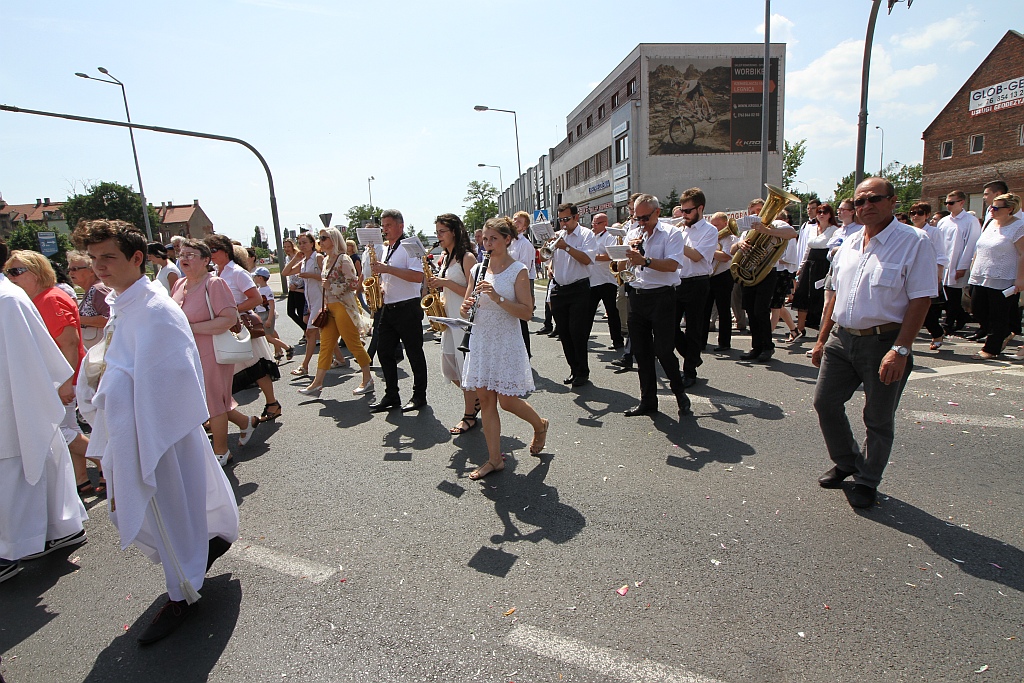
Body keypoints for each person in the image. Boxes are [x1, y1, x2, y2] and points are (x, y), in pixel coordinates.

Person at [72, 219, 239, 645]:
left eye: (108, 256)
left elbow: (176, 375)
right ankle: (195, 556)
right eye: (94, 259)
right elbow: (120, 361)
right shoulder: (123, 304)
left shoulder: (155, 309)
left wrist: (112, 381)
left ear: (136, 258)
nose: (100, 267)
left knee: (167, 508)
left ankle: (182, 591)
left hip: (158, 431)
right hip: (139, 426)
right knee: (170, 508)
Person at [810, 178, 937, 509]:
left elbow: (921, 300)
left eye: (874, 200)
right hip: (842, 337)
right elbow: (834, 295)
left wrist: (901, 349)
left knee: (878, 417)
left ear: (893, 201)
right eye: (860, 201)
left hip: (884, 342)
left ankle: (867, 480)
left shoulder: (914, 242)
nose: (866, 207)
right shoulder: (850, 241)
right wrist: (822, 339)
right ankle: (848, 461)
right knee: (825, 403)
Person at [0, 237, 88, 584]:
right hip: (16, 398)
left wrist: (58, 387)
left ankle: (9, 549)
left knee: (19, 468)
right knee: (44, 460)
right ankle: (61, 527)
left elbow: (58, 346)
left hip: (15, 399)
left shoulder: (8, 300)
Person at [460, 217, 549, 479]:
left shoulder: (518, 269)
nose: (487, 244)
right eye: (485, 239)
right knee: (486, 399)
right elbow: (467, 303)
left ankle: (539, 424)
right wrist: (466, 308)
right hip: (481, 339)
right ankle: (494, 460)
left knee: (508, 401)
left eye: (493, 239)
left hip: (505, 341)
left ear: (507, 239)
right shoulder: (477, 269)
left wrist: (497, 297)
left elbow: (527, 313)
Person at [4, 250, 98, 498]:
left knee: (58, 430)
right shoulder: (38, 298)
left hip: (61, 380)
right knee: (68, 428)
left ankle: (103, 460)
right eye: (7, 272)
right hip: (55, 379)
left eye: (16, 271)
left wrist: (65, 383)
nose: (10, 277)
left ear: (36, 272)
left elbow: (68, 341)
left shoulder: (49, 299)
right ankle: (82, 480)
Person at [170, 239, 257, 466]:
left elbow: (228, 319)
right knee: (210, 398)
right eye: (182, 254)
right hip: (187, 352)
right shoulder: (179, 284)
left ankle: (221, 451)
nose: (184, 259)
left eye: (191, 255)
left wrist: (190, 329)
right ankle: (246, 422)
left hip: (212, 351)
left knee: (213, 402)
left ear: (206, 260)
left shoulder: (215, 283)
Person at [612, 194, 691, 417]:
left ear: (657, 212)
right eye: (637, 218)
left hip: (662, 297)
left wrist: (645, 261)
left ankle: (680, 394)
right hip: (637, 296)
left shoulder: (672, 233)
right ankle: (648, 401)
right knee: (642, 352)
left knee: (664, 350)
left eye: (645, 218)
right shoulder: (634, 232)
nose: (641, 223)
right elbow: (619, 266)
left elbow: (674, 265)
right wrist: (625, 257)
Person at [205, 234, 282, 426]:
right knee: (229, 369)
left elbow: (255, 299)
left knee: (256, 367)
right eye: (209, 250)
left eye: (214, 250)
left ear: (226, 251)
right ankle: (217, 414)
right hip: (224, 328)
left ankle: (272, 403)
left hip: (241, 327)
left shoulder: (237, 272)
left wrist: (230, 312)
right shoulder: (215, 273)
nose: (211, 254)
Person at [298, 226, 373, 396]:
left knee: (353, 343)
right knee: (325, 345)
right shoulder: (325, 260)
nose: (320, 242)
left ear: (334, 240)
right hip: (329, 307)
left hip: (343, 306)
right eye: (320, 238)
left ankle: (367, 379)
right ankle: (316, 384)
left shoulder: (343, 259)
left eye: (324, 238)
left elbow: (353, 283)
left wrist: (331, 286)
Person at [368, 209, 429, 413]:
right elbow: (390, 276)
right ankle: (391, 395)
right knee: (384, 352)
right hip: (389, 307)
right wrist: (382, 288)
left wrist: (387, 269)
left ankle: (419, 396)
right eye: (383, 226)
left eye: (388, 225)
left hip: (408, 307)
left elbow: (417, 277)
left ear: (400, 226)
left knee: (414, 353)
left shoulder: (409, 245)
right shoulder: (387, 248)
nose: (384, 229)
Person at [426, 213, 479, 434]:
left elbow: (474, 291)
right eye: (437, 231)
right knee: (450, 368)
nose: (438, 236)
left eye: (441, 232)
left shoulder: (467, 257)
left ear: (454, 232)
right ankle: (476, 401)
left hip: (464, 320)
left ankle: (469, 415)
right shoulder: (446, 256)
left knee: (463, 367)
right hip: (449, 318)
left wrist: (445, 282)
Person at [734, 199, 798, 362]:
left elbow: (792, 234)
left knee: (761, 311)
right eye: (754, 211)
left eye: (760, 210)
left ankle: (767, 346)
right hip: (748, 273)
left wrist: (766, 230)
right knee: (750, 310)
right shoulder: (746, 230)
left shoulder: (776, 224)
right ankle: (757, 347)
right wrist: (740, 243)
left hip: (767, 272)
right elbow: (732, 250)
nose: (757, 214)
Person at [967, 194, 1024, 359]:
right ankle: (1003, 333)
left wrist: (1020, 279)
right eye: (991, 206)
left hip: (1003, 277)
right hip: (980, 275)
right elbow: (980, 248)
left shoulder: (1019, 226)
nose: (991, 210)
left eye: (996, 207)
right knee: (978, 309)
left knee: (998, 315)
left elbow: (1022, 254)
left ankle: (991, 349)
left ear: (1010, 209)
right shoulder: (991, 223)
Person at [672, 188, 717, 386]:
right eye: (682, 211)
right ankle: (693, 356)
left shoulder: (710, 230)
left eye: (688, 211)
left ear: (700, 209)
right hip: (678, 281)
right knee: (670, 327)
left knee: (694, 329)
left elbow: (698, 256)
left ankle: (689, 371)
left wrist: (675, 241)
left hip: (698, 283)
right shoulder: (682, 229)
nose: (684, 215)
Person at [549, 202, 597, 387]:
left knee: (578, 332)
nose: (563, 224)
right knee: (564, 333)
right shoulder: (558, 236)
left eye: (567, 219)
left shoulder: (586, 235)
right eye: (560, 220)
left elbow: (587, 259)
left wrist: (566, 247)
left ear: (576, 217)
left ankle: (582, 371)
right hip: (560, 289)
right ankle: (573, 369)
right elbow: (547, 257)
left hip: (579, 289)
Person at [906, 202, 951, 350]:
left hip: (927, 273)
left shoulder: (933, 232)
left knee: (926, 309)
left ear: (927, 215)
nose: (915, 216)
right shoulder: (907, 231)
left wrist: (938, 275)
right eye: (912, 213)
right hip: (909, 272)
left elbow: (941, 255)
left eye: (919, 213)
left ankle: (937, 333)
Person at [790, 203, 839, 338]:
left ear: (830, 215)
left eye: (825, 212)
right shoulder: (812, 228)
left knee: (821, 298)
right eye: (819, 212)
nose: (821, 215)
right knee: (802, 294)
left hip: (824, 264)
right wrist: (801, 267)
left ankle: (822, 330)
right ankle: (800, 328)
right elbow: (807, 249)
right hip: (810, 264)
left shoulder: (835, 229)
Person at [937, 190, 982, 336]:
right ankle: (961, 317)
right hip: (943, 265)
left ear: (961, 202)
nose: (948, 206)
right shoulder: (944, 221)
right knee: (944, 296)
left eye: (951, 203)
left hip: (957, 264)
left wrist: (962, 266)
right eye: (946, 203)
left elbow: (971, 245)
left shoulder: (970, 221)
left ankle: (948, 324)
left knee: (954, 296)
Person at [282, 233, 323, 376]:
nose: (302, 245)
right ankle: (340, 358)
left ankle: (304, 366)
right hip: (310, 300)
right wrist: (295, 258)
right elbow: (285, 272)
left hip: (321, 299)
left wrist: (310, 275)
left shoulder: (318, 257)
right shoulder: (304, 260)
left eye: (305, 242)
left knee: (310, 332)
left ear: (312, 244)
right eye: (299, 243)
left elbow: (327, 277)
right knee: (323, 332)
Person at [587, 212, 625, 350]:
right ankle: (583, 339)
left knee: (612, 312)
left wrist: (593, 256)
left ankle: (617, 341)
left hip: (606, 280)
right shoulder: (592, 236)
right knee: (588, 312)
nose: (594, 226)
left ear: (605, 224)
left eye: (596, 223)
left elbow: (610, 255)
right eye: (593, 223)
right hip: (592, 280)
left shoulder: (609, 237)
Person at [67, 249, 111, 350]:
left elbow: (110, 319)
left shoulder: (98, 290)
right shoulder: (91, 290)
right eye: (69, 269)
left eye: (75, 269)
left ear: (92, 270)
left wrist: (75, 319)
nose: (70, 273)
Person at [510, 211, 539, 355]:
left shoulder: (524, 244)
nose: (515, 223)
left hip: (521, 283)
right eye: (514, 219)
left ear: (524, 227)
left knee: (521, 320)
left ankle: (525, 354)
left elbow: (524, 269)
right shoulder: (508, 241)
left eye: (519, 222)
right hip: (509, 283)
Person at [251, 266, 293, 360]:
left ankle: (287, 348)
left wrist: (269, 319)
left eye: (255, 276)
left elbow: (272, 305)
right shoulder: (259, 289)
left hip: (267, 314)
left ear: (260, 278)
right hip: (260, 314)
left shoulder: (267, 290)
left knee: (268, 337)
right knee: (268, 336)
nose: (254, 278)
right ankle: (280, 351)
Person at [282, 238, 307, 335]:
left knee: (301, 313)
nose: (286, 249)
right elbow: (288, 273)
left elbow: (302, 272)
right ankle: (306, 330)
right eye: (285, 247)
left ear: (293, 246)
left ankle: (307, 333)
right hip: (292, 288)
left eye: (288, 246)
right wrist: (291, 285)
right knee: (290, 312)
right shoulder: (287, 258)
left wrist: (296, 284)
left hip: (299, 287)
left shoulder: (299, 257)